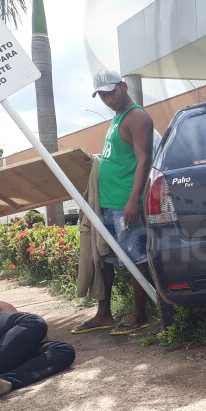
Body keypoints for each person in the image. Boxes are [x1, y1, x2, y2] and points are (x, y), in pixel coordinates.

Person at [72, 70, 155, 336]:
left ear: (124, 86)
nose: (107, 99)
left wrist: (134, 201)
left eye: (111, 92)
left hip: (124, 203)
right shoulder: (117, 118)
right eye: (103, 95)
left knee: (136, 257)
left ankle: (140, 314)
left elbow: (144, 160)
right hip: (106, 202)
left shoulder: (137, 117)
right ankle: (104, 313)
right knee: (104, 258)